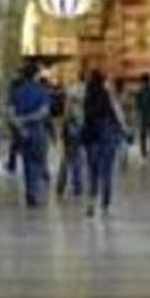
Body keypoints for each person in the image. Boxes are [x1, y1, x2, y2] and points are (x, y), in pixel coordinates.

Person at [81, 69, 129, 216]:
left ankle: (91, 204)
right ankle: (105, 205)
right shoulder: (107, 95)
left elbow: (84, 118)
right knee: (106, 172)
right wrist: (124, 131)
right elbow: (117, 115)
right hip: (107, 135)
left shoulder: (87, 96)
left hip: (92, 136)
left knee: (92, 172)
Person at [8, 59, 53, 207]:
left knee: (27, 163)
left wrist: (20, 124)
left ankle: (29, 192)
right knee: (38, 162)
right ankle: (34, 193)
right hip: (37, 130)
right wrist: (28, 119)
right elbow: (43, 112)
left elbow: (11, 114)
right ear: (36, 75)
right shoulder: (42, 91)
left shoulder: (16, 92)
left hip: (22, 131)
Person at [55, 71, 87, 201]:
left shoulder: (71, 90)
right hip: (82, 127)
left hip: (71, 127)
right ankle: (77, 187)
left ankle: (61, 186)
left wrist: (63, 128)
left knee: (67, 158)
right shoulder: (88, 91)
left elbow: (66, 112)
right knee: (78, 158)